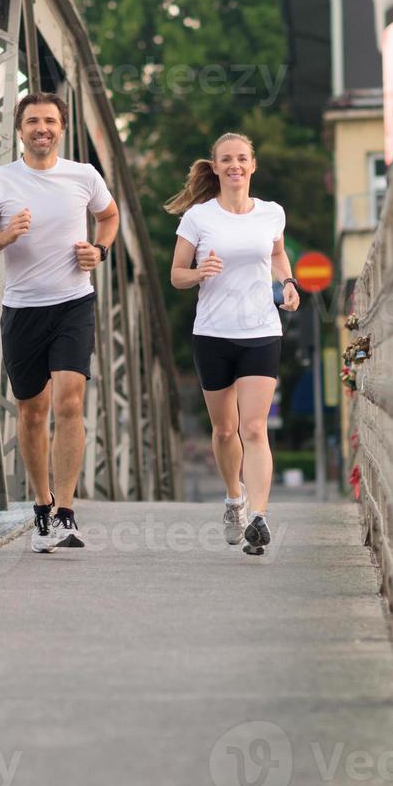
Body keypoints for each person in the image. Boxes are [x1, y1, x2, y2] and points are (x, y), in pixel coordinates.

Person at [0, 92, 120, 552]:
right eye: (32, 121)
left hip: (73, 302)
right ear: (20, 129)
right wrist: (5, 235)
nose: (42, 129)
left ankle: (67, 512)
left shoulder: (84, 175)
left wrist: (101, 249)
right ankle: (42, 507)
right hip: (22, 308)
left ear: (62, 128)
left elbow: (109, 216)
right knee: (32, 412)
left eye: (50, 121)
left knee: (70, 402)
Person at [167, 132, 300, 556]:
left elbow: (277, 255)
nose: (235, 165)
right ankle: (234, 499)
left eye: (242, 158)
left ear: (253, 165)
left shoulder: (271, 213)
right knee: (225, 430)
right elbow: (176, 275)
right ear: (216, 166)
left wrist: (289, 282)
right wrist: (199, 271)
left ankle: (259, 516)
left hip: (261, 330)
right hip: (212, 333)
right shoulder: (198, 218)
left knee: (254, 427)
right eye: (227, 159)